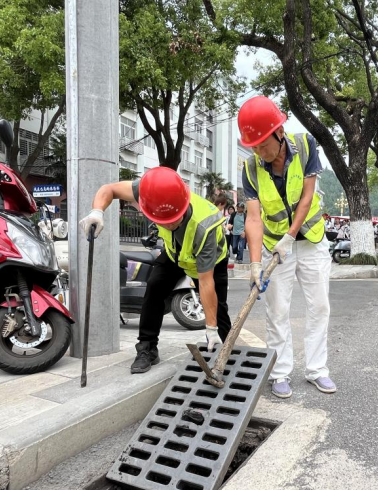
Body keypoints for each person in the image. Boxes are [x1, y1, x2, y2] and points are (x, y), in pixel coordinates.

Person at [78, 167, 231, 373]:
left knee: (218, 310)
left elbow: (205, 281)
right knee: (154, 287)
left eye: (173, 221)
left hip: (210, 259)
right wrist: (97, 211)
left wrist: (210, 328)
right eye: (163, 222)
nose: (168, 226)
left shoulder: (204, 226)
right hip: (175, 253)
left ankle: (225, 352)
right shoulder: (150, 192)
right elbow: (109, 189)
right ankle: (147, 349)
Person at [238, 95, 335, 399]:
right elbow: (253, 218)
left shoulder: (306, 146)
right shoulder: (250, 168)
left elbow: (307, 197)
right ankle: (280, 372)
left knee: (319, 306)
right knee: (277, 310)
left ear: (279, 132)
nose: (258, 152)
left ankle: (317, 370)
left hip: (310, 240)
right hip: (274, 246)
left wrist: (291, 237)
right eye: (253, 147)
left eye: (262, 145)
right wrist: (255, 264)